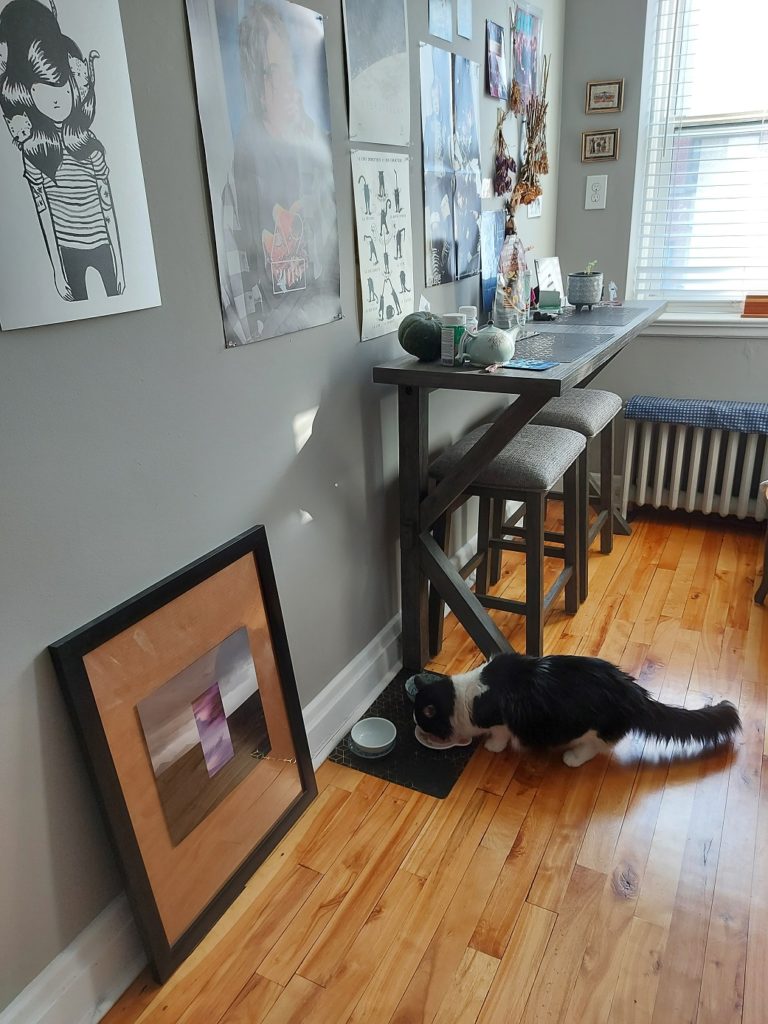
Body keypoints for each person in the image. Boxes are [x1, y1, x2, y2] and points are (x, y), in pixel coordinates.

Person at [225, 0, 340, 343]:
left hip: (323, 318)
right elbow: (240, 303)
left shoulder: (318, 154)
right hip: (278, 334)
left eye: (289, 66)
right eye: (273, 70)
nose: (287, 82)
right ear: (255, 81)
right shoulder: (242, 174)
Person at [0, 0, 124, 301]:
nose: (57, 100)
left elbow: (107, 207)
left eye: (63, 88)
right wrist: (57, 269)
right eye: (42, 90)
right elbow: (44, 213)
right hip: (67, 250)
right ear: (29, 93)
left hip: (102, 246)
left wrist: (119, 261)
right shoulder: (33, 152)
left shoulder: (87, 143)